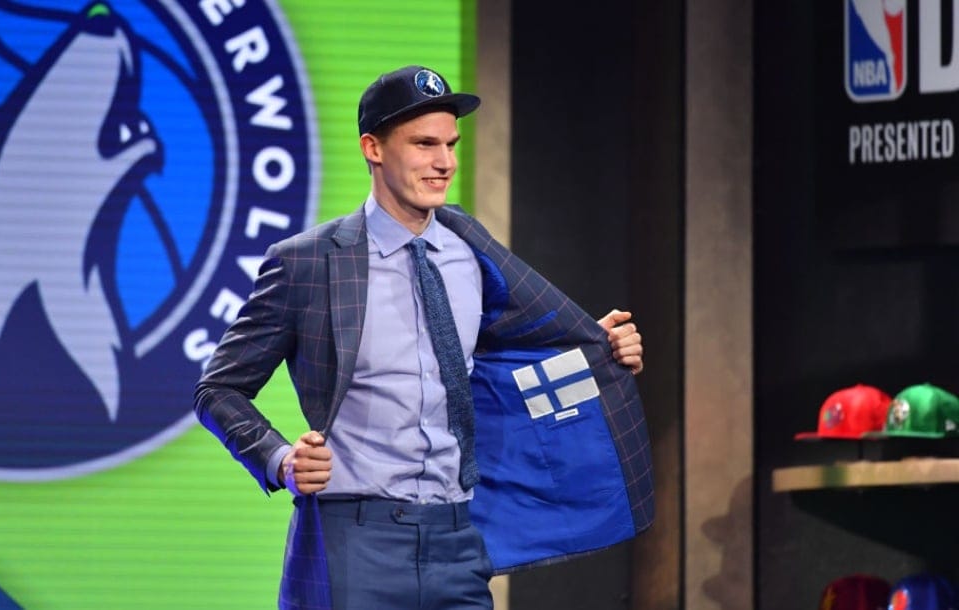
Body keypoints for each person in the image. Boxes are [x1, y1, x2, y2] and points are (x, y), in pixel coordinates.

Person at [195, 65, 654, 610]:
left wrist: (596, 348)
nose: (445, 163)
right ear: (373, 148)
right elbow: (218, 390)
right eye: (424, 144)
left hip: (458, 541)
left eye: (451, 144)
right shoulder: (308, 263)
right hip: (350, 541)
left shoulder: (470, 250)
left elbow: (502, 362)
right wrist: (280, 460)